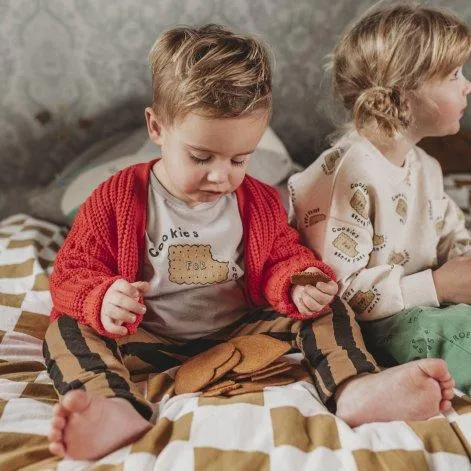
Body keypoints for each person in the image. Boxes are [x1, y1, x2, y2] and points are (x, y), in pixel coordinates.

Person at [44, 23, 453, 461]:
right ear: (157, 127)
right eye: (201, 157)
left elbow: (283, 255)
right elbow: (69, 274)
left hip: (237, 332)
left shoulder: (256, 200)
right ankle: (115, 407)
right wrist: (102, 298)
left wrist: (298, 283)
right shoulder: (117, 198)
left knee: (326, 307)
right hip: (147, 339)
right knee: (65, 330)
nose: (221, 176)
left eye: (240, 159)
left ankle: (354, 386)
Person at [289, 2, 470, 398]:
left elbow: (451, 233)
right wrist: (439, 285)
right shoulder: (347, 175)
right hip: (371, 322)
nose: (466, 85)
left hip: (425, 303)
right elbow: (341, 291)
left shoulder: (425, 166)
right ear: (404, 96)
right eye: (455, 74)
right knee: (447, 333)